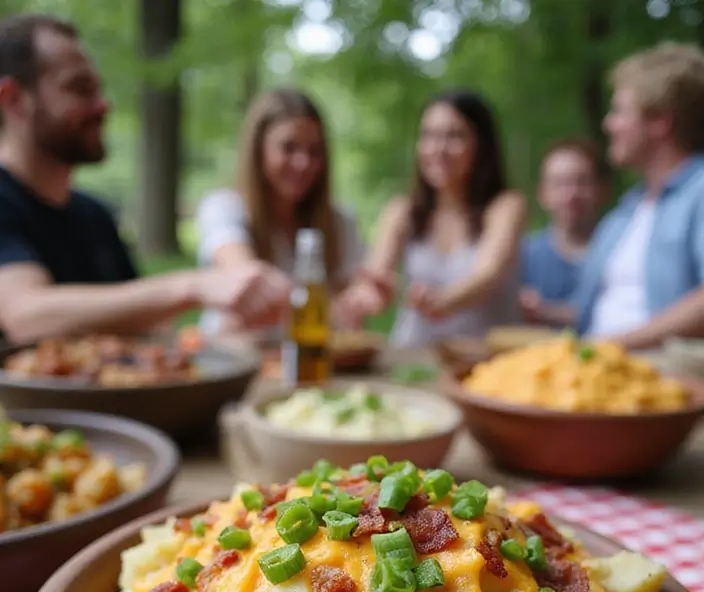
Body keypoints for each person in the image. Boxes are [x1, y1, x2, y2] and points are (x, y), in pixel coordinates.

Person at [0, 14, 290, 345]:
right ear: (12, 99)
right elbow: (25, 314)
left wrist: (223, 335)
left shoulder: (94, 216)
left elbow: (144, 333)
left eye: (98, 90)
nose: (102, 105)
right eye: (80, 88)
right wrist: (193, 286)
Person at [339, 89, 525, 347]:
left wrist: (442, 301)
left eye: (454, 136)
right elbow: (377, 274)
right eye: (428, 136)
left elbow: (488, 277)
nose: (438, 149)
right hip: (414, 358)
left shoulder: (505, 206)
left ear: (481, 144)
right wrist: (370, 294)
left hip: (488, 363)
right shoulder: (401, 211)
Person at [196, 88, 374, 340]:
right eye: (288, 148)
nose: (304, 163)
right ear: (258, 150)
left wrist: (362, 298)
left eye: (315, 151)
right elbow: (248, 280)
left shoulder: (340, 221)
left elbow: (352, 325)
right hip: (236, 363)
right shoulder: (223, 208)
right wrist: (328, 309)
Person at [577, 42, 704, 349]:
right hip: (595, 369)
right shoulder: (627, 209)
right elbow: (610, 306)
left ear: (660, 120)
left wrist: (610, 347)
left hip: (662, 378)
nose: (609, 124)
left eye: (619, 111)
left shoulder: (699, 191)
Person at [520, 139, 604, 328]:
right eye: (560, 184)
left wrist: (544, 311)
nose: (572, 194)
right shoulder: (523, 255)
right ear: (542, 194)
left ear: (602, 189)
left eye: (582, 182)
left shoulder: (621, 252)